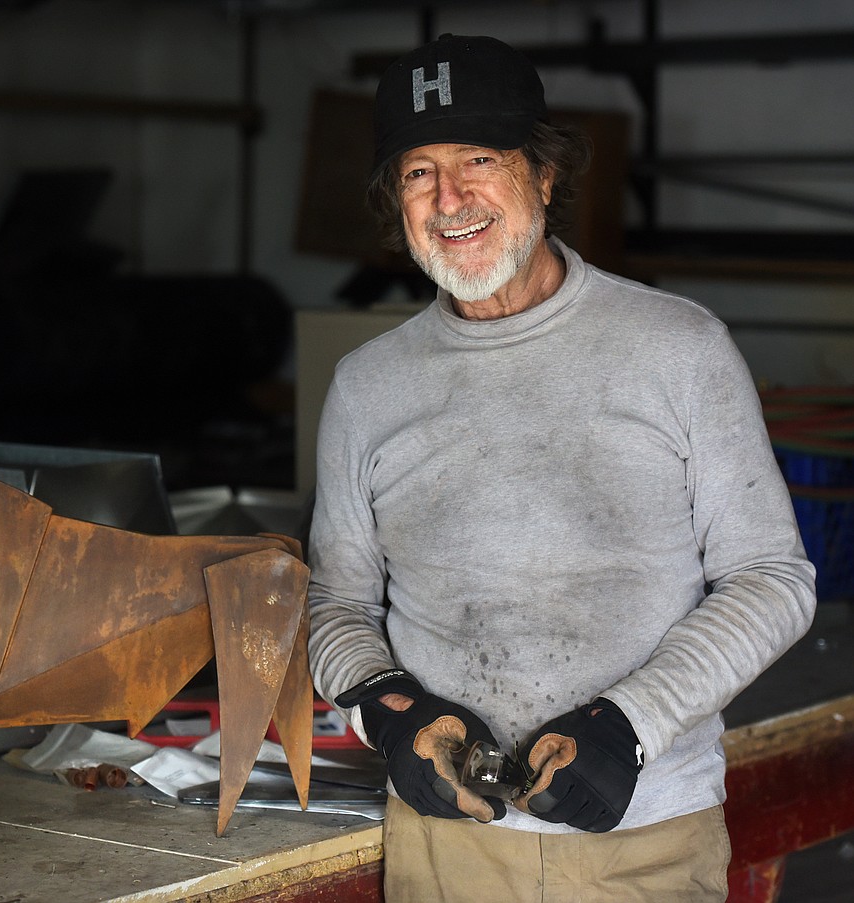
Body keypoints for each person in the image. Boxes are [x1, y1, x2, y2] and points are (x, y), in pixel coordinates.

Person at [306, 33, 817, 902]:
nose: (451, 197)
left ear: (543, 175)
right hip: (444, 850)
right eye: (419, 172)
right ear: (396, 201)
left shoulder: (678, 348)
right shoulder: (367, 387)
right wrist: (389, 709)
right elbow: (336, 603)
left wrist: (632, 724)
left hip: (646, 838)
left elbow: (772, 578)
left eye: (479, 158)